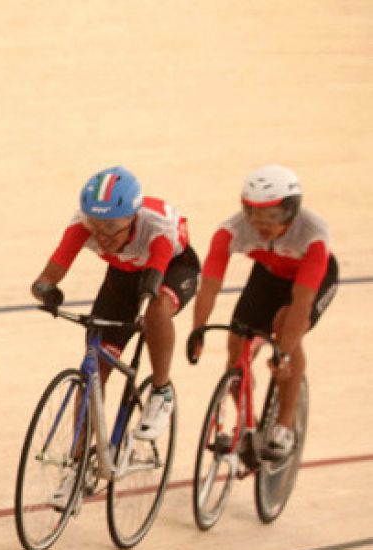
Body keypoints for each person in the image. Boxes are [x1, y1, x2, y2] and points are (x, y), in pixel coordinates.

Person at [30, 166, 200, 508]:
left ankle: (161, 393)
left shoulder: (156, 226)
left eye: (111, 227)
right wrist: (46, 291)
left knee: (156, 311)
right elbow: (48, 274)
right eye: (96, 226)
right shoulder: (83, 224)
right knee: (94, 368)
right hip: (122, 278)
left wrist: (149, 301)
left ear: (133, 218)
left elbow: (153, 278)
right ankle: (77, 468)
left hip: (171, 268)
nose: (102, 235)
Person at [188, 164, 338, 459]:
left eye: (273, 215)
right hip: (268, 276)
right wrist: (198, 329)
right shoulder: (231, 230)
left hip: (311, 281)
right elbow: (208, 286)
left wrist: (283, 351)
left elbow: (302, 301)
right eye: (254, 213)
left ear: (292, 211)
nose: (262, 223)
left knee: (285, 326)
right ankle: (246, 424)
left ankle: (284, 425)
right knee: (236, 348)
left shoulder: (314, 234)